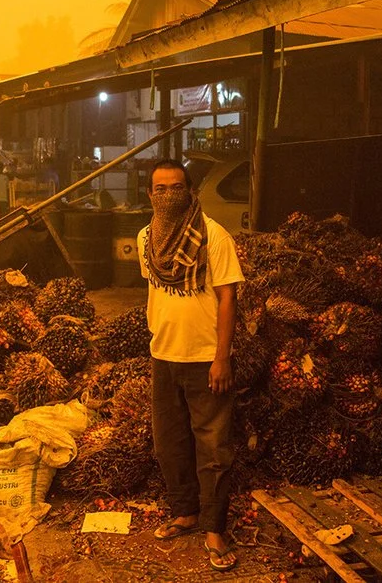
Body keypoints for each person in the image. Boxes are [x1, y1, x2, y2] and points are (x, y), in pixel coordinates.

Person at [136, 158, 244, 572]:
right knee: (170, 444)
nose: (167, 195)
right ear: (149, 194)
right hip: (163, 355)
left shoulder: (213, 236)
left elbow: (228, 297)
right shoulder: (146, 237)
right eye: (159, 189)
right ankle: (185, 513)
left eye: (175, 187)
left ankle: (215, 529)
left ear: (190, 190)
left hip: (204, 358)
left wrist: (222, 357)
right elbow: (154, 293)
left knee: (214, 448)